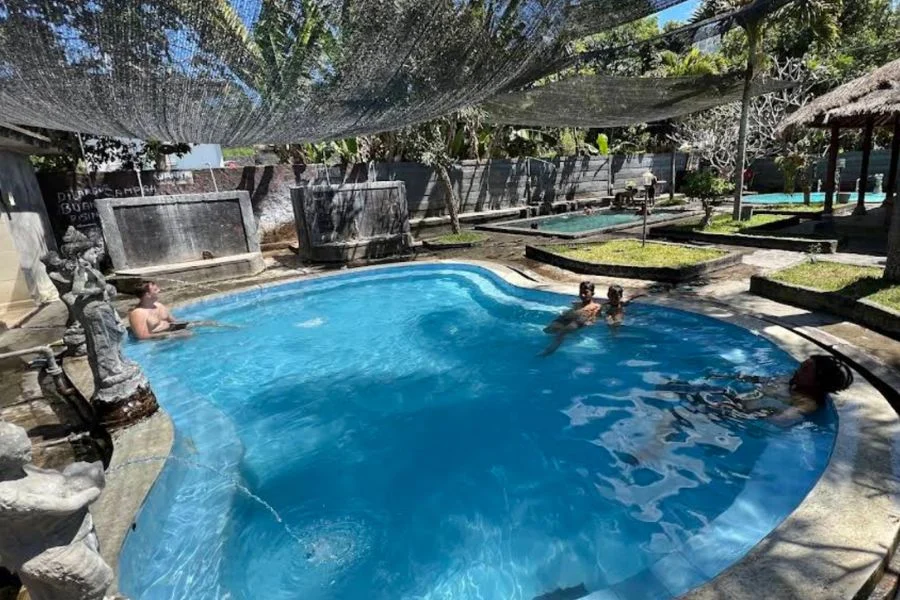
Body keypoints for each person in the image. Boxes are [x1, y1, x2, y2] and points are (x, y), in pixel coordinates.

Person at [663, 354, 853, 426]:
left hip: (734, 412)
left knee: (677, 415)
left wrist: (757, 414)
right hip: (730, 398)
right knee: (671, 386)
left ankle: (655, 445)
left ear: (818, 382)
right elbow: (761, 380)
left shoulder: (807, 402)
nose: (797, 369)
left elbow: (782, 420)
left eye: (804, 370)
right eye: (801, 365)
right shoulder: (791, 380)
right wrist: (734, 377)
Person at [541, 281, 602, 355]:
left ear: (592, 293)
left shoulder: (596, 306)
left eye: (586, 292)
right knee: (548, 330)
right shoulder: (576, 304)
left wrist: (592, 321)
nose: (582, 295)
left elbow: (596, 316)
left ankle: (550, 350)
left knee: (562, 332)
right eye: (581, 292)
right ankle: (544, 344)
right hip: (569, 318)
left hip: (580, 320)